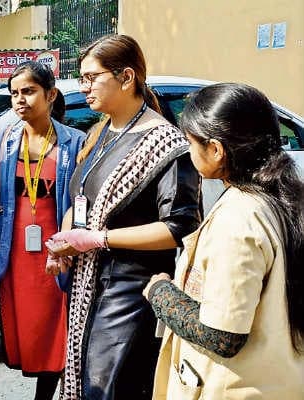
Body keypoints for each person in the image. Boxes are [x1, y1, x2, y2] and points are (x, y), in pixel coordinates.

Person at [45, 34, 201, 400]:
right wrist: (64, 242)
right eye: (81, 78)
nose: (84, 87)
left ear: (126, 77)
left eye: (91, 77)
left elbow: (179, 227)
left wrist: (98, 239)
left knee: (113, 388)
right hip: (88, 285)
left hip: (130, 292)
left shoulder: (166, 143)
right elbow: (81, 202)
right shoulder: (101, 132)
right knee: (86, 384)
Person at [143, 83, 304, 399]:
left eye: (191, 142)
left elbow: (223, 335)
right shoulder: (284, 198)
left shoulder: (239, 218)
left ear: (216, 150)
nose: (189, 152)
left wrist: (160, 293)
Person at [0, 61, 85, 400]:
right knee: (27, 327)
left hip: (56, 252)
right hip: (14, 252)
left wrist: (71, 243)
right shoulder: (6, 139)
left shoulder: (74, 142)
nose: (20, 99)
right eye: (14, 93)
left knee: (56, 326)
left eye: (28, 91)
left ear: (50, 95)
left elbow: (82, 200)